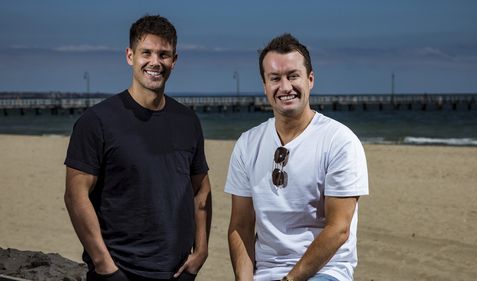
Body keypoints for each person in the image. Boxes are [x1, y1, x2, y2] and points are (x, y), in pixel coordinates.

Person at [64, 15, 211, 281]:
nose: (155, 62)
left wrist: (201, 252)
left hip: (177, 272)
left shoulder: (188, 121)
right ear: (130, 56)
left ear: (174, 61)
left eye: (164, 54)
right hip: (120, 273)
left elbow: (201, 189)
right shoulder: (96, 121)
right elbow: (76, 196)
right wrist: (104, 266)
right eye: (147, 53)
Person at [225, 33, 369, 281]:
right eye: (275, 79)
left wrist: (289, 280)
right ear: (265, 86)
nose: (285, 87)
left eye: (293, 76)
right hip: (266, 272)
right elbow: (241, 226)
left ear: (310, 79)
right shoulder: (247, 144)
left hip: (325, 271)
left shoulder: (339, 141)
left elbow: (339, 229)